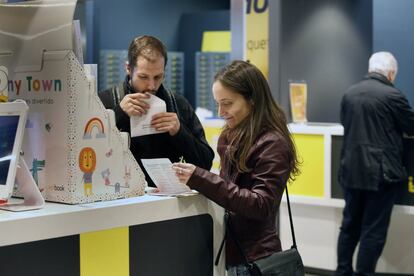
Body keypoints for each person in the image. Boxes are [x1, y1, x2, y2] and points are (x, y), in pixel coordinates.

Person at [172, 60, 300, 275]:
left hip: (256, 258)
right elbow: (230, 192)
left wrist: (202, 179)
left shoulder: (272, 143)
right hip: (233, 253)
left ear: (252, 100)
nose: (221, 111)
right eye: (217, 103)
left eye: (227, 103)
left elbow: (261, 205)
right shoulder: (232, 136)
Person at [335, 51, 414, 276]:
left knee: (349, 226)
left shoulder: (349, 94)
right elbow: (411, 127)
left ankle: (342, 272)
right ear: (390, 73)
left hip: (351, 172)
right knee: (373, 231)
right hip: (381, 175)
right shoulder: (393, 96)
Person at [98, 35, 214, 187]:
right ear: (128, 68)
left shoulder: (178, 105)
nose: (151, 85)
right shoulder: (104, 101)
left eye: (158, 77)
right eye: (143, 77)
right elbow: (88, 157)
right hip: (119, 200)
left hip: (169, 204)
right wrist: (118, 114)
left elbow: (205, 164)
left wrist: (180, 132)